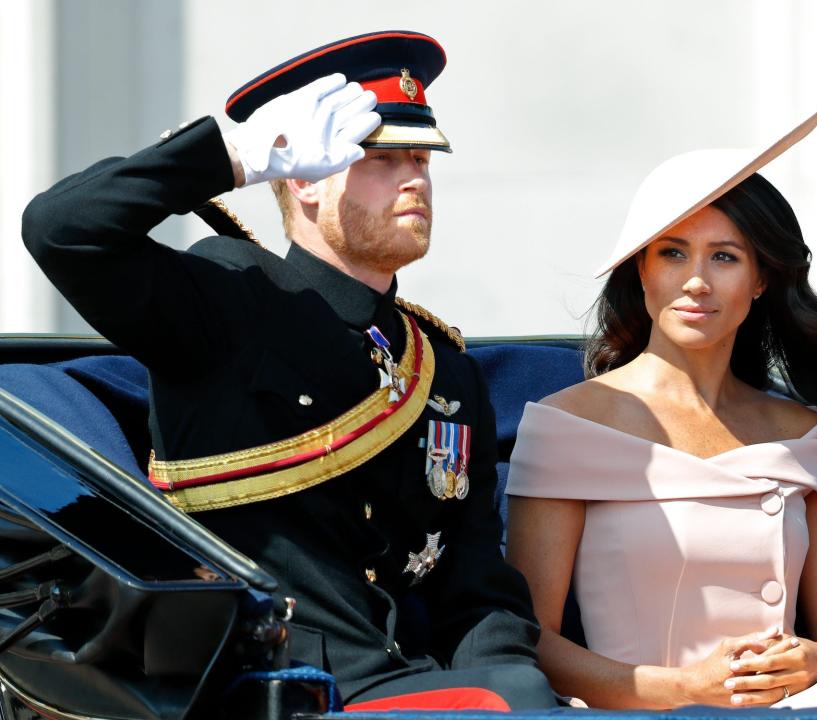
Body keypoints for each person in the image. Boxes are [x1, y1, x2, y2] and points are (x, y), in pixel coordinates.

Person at [21, 31, 556, 711]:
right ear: (303, 176)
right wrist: (232, 156)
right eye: (381, 159)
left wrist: (508, 685)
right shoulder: (230, 298)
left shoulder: (443, 371)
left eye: (421, 158)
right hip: (270, 686)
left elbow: (476, 584)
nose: (414, 178)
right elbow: (63, 229)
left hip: (415, 687)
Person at [505, 102, 817, 710]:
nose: (696, 280)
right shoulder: (566, 425)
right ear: (641, 271)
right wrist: (685, 689)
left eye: (724, 256)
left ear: (760, 280)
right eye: (672, 253)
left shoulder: (807, 434)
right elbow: (529, 642)